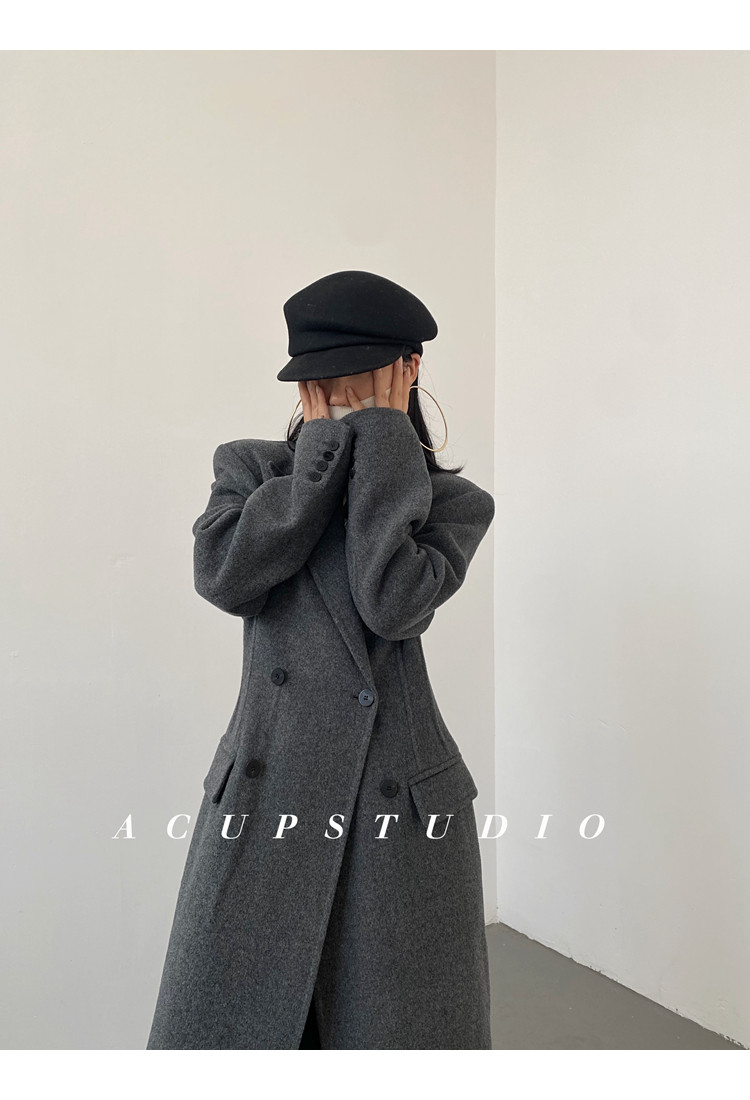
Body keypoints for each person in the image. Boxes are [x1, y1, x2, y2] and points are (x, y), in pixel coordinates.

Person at [147, 271, 496, 1050]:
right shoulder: (251, 471)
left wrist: (385, 442)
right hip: (267, 786)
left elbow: (391, 604)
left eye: (359, 375)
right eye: (322, 378)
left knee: (390, 1031)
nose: (339, 393)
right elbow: (225, 579)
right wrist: (321, 461)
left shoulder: (454, 504)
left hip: (394, 795)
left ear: (409, 370)